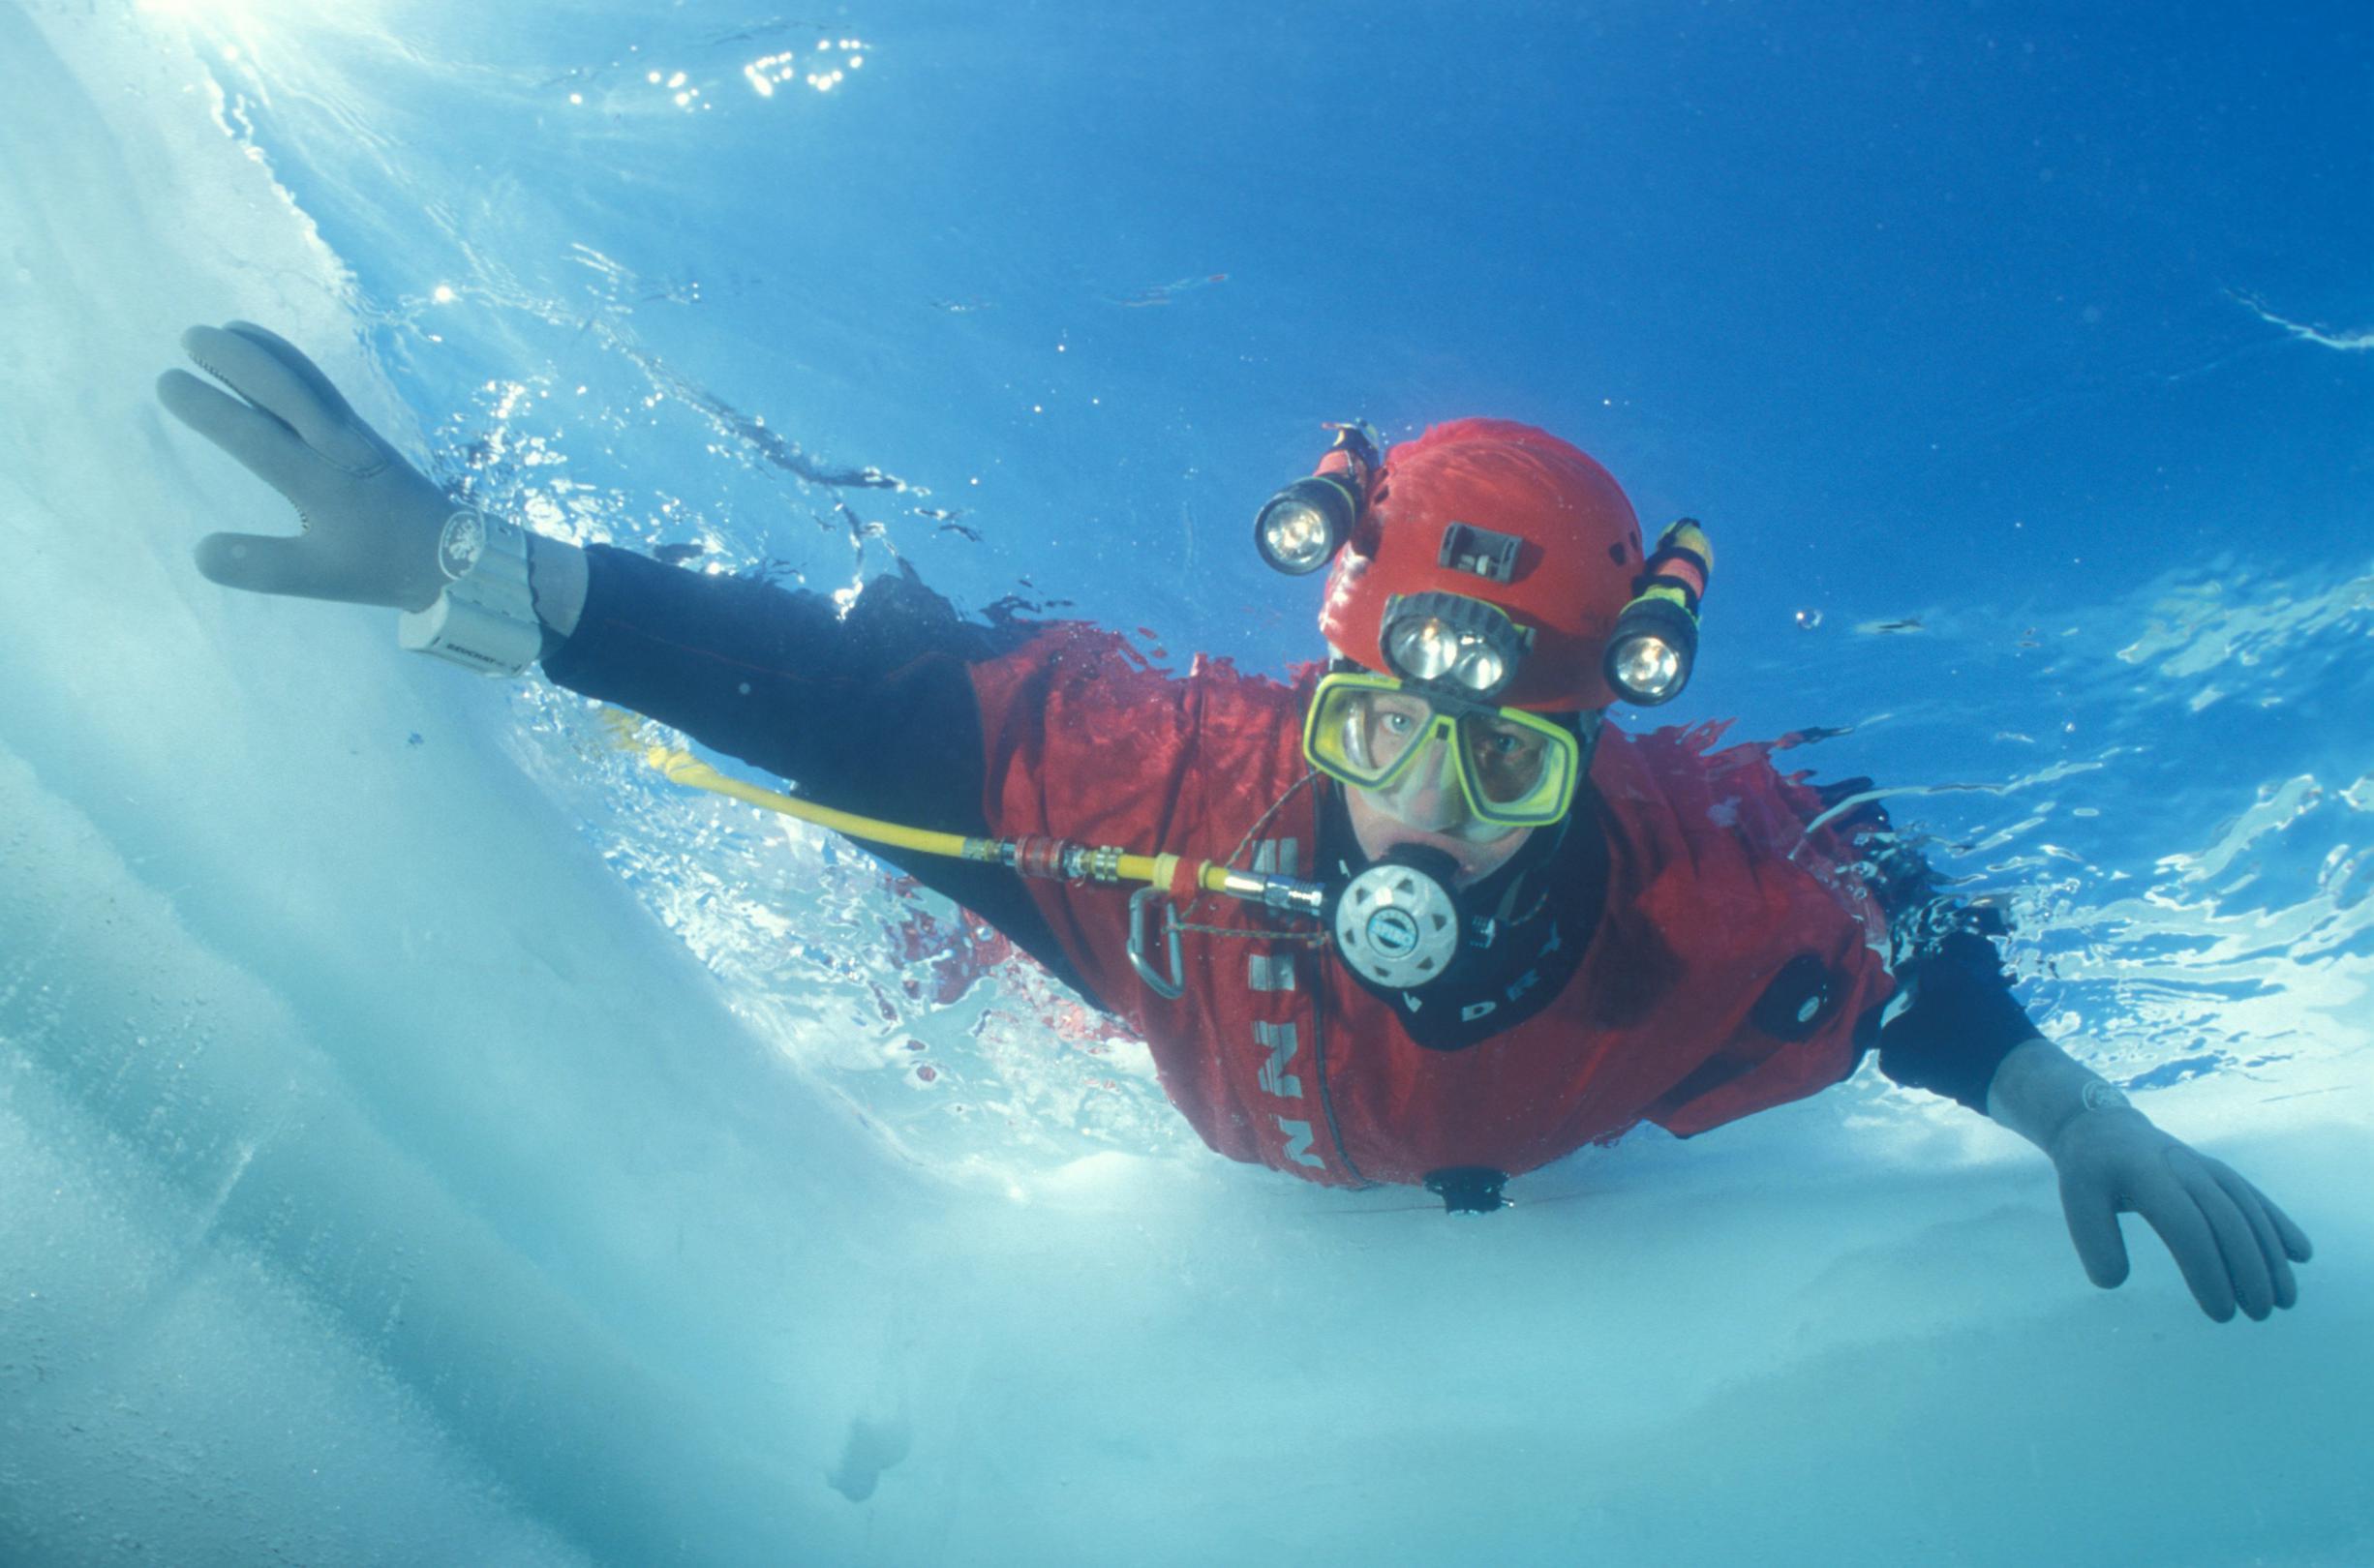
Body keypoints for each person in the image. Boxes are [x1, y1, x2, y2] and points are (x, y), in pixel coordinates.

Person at [156, 319, 2316, 1321]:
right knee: (892, 747)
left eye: (1508, 770)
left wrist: (2067, 1106)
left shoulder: (1695, 912)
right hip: (1123, 969)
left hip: (1446, 1104)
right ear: (1324, 698)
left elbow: (1892, 940)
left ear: (1586, 771)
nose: (1425, 827)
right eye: (1383, 735)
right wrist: (481, 573)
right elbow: (828, 689)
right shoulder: (1151, 792)